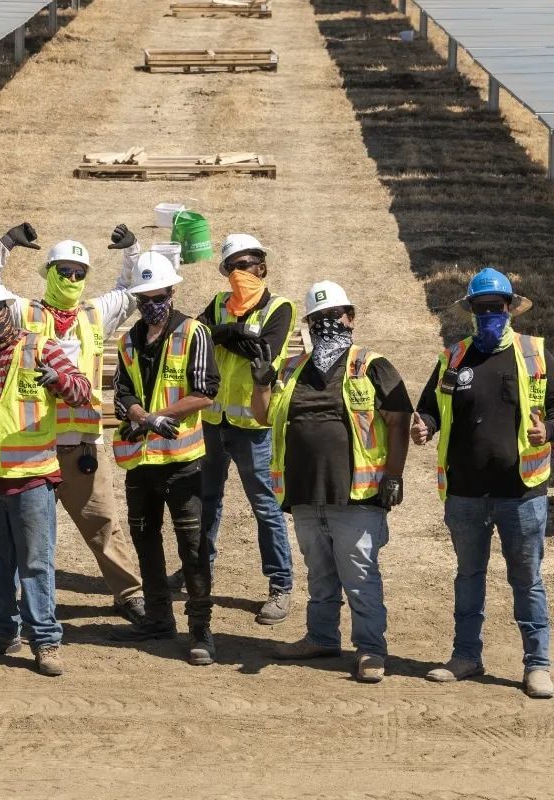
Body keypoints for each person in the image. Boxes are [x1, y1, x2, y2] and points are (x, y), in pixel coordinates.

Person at [0, 223, 144, 631]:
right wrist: (5, 243)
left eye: (79, 272)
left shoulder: (98, 313)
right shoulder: (22, 312)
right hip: (33, 448)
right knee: (17, 533)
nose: (71, 279)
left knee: (103, 523)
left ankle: (129, 595)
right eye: (63, 271)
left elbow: (135, 289)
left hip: (81, 447)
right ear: (47, 272)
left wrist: (131, 250)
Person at [251, 282, 411, 683]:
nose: (327, 325)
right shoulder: (291, 369)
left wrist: (394, 475)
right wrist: (260, 382)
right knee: (319, 573)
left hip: (357, 496)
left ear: (351, 318)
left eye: (334, 316)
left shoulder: (372, 364)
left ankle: (371, 649)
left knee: (359, 575)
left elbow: (398, 421)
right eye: (318, 319)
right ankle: (321, 637)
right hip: (304, 492)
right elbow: (261, 417)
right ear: (307, 325)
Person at [413, 267, 553, 699]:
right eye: (481, 307)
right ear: (471, 311)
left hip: (521, 493)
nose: (490, 313)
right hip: (466, 494)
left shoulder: (537, 354)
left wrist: (548, 430)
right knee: (468, 575)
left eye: (496, 306)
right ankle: (466, 656)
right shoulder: (453, 358)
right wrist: (425, 427)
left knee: (526, 579)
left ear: (511, 307)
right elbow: (430, 409)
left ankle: (538, 665)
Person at [0, 277, 91, 677]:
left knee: (36, 564)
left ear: (8, 309)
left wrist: (57, 380)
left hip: (33, 477)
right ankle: (2, 633)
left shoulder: (41, 348)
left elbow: (82, 391)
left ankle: (46, 642)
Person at [178, 233, 295, 625]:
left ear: (262, 267)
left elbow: (266, 351)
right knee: (206, 500)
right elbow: (197, 338)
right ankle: (198, 572)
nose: (241, 273)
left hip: (252, 424)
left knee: (265, 506)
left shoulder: (280, 307)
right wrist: (232, 334)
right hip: (213, 419)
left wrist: (223, 336)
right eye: (233, 267)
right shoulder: (217, 303)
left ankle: (280, 585)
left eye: (247, 265)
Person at [110, 252, 220, 666]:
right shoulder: (128, 341)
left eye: (160, 296)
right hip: (141, 461)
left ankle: (201, 628)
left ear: (172, 293)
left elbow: (206, 390)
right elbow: (122, 395)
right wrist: (142, 417)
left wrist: (162, 417)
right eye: (145, 297)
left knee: (192, 547)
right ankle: (158, 617)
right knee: (145, 540)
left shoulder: (194, 333)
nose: (152, 303)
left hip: (182, 461)